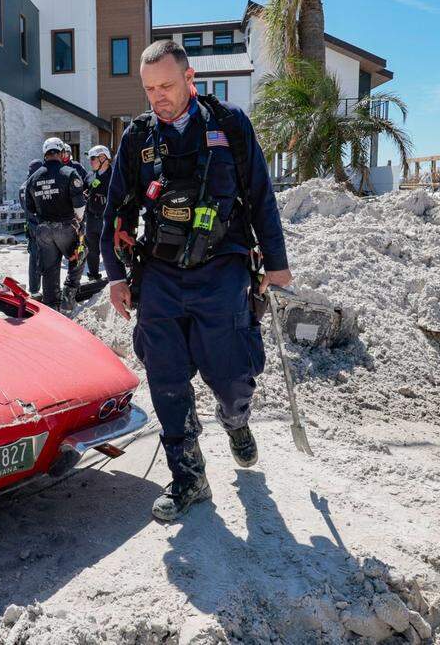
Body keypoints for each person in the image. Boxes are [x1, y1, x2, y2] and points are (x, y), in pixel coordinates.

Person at [100, 40, 292, 522]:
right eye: (149, 89)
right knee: (165, 378)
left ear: (190, 79)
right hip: (160, 273)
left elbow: (260, 195)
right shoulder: (139, 138)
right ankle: (189, 476)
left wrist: (276, 260)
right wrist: (115, 275)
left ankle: (236, 422)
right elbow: (115, 208)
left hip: (222, 268)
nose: (157, 97)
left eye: (166, 85)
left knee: (230, 376)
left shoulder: (229, 125)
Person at [22, 138, 86, 312]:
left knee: (49, 270)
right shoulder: (69, 172)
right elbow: (79, 206)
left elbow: (30, 208)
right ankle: (69, 293)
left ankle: (51, 307)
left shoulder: (33, 177)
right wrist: (78, 222)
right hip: (66, 227)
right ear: (61, 153)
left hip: (43, 230)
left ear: (45, 153)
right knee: (79, 255)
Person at [83, 145, 113, 281]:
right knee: (92, 250)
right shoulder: (89, 176)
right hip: (91, 219)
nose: (91, 162)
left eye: (93, 158)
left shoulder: (115, 176)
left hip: (107, 219)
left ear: (103, 158)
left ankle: (115, 277)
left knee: (109, 250)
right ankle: (93, 276)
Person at [20, 157, 44, 296]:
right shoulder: (35, 184)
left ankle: (34, 289)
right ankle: (40, 290)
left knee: (34, 258)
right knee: (46, 257)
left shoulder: (23, 186)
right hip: (40, 225)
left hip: (30, 225)